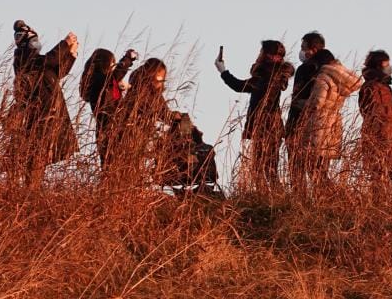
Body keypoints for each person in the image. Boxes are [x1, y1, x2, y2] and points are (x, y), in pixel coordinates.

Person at [112, 58, 217, 193]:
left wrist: (178, 118)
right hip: (132, 136)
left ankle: (190, 156)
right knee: (130, 169)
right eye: (161, 77)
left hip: (140, 137)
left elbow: (164, 113)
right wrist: (178, 118)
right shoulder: (143, 92)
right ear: (152, 75)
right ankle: (191, 160)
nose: (162, 81)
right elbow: (161, 112)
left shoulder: (150, 93)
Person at [216, 40, 295, 190]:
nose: (259, 55)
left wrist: (223, 71)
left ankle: (271, 198)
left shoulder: (265, 75)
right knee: (269, 168)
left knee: (262, 169)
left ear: (268, 55)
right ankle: (275, 197)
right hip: (274, 126)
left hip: (263, 125)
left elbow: (239, 86)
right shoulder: (278, 74)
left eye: (261, 52)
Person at [9, 20, 79, 185]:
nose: (36, 45)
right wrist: (64, 44)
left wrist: (71, 55)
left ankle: (33, 189)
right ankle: (30, 191)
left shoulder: (37, 63)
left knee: (41, 156)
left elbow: (56, 72)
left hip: (50, 114)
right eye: (33, 41)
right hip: (40, 115)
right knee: (36, 155)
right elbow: (49, 61)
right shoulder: (23, 58)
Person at [297, 50, 363, 189]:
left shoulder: (323, 77)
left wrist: (300, 103)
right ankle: (328, 198)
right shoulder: (341, 78)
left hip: (319, 124)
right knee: (323, 167)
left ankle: (331, 196)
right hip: (334, 123)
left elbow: (317, 103)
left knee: (314, 168)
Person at [358, 50, 392, 196]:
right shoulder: (371, 86)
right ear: (378, 66)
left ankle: (390, 209)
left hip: (390, 135)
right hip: (380, 137)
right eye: (386, 64)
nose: (389, 67)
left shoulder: (382, 86)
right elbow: (373, 112)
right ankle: (381, 209)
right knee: (380, 177)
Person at [80, 47, 138, 170]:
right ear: (104, 63)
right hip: (110, 128)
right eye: (112, 63)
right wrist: (127, 60)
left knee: (111, 167)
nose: (114, 65)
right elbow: (114, 76)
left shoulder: (99, 81)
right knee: (113, 167)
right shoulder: (98, 78)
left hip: (109, 127)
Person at [286, 31, 326, 193]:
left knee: (297, 168)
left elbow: (298, 98)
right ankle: (324, 199)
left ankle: (299, 198)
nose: (301, 51)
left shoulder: (305, 69)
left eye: (303, 47)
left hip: (300, 122)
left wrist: (292, 124)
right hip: (321, 126)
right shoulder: (328, 69)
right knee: (318, 169)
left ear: (313, 49)